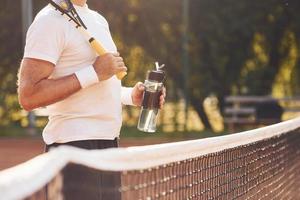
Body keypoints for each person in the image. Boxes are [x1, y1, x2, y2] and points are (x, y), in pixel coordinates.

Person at [17, 0, 166, 199]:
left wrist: (131, 95)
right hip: (73, 150)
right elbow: (29, 95)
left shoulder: (98, 20)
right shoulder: (48, 21)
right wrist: (94, 71)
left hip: (108, 148)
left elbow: (100, 84)